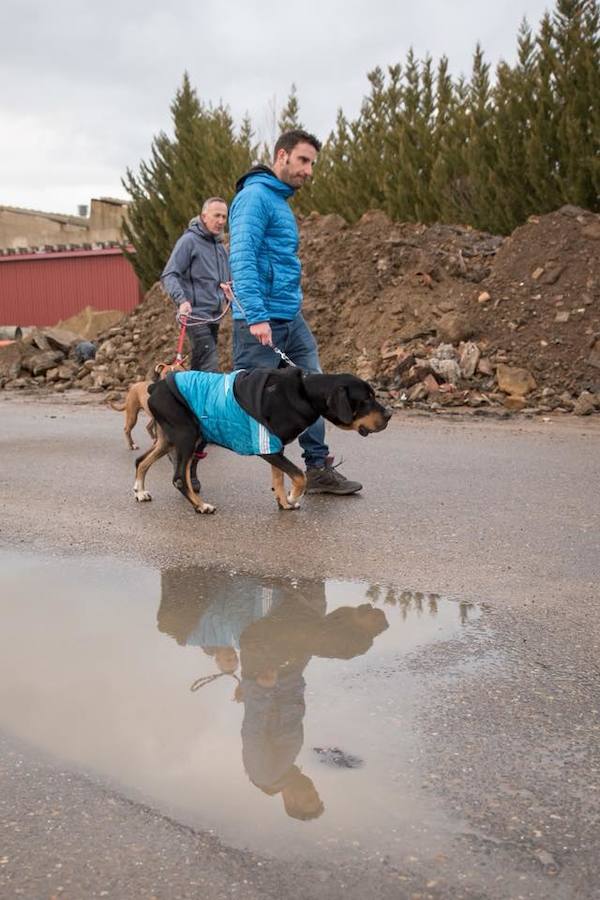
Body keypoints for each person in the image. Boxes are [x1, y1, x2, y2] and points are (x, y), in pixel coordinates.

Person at [228, 130, 362, 495]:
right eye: (304, 160)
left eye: (313, 164)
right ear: (282, 155)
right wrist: (256, 316)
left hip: (290, 317)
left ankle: (317, 467)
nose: (309, 171)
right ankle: (188, 442)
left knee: (315, 388)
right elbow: (242, 257)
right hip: (260, 321)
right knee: (245, 402)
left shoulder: (279, 203)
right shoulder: (254, 197)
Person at [161, 197, 231, 373]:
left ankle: (188, 400)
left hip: (214, 317)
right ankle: (209, 401)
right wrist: (181, 301)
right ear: (204, 216)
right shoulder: (189, 242)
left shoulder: (220, 248)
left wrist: (230, 292)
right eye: (217, 216)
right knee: (210, 364)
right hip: (195, 316)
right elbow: (169, 275)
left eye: (224, 217)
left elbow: (227, 280)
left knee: (199, 367)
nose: (221, 221)